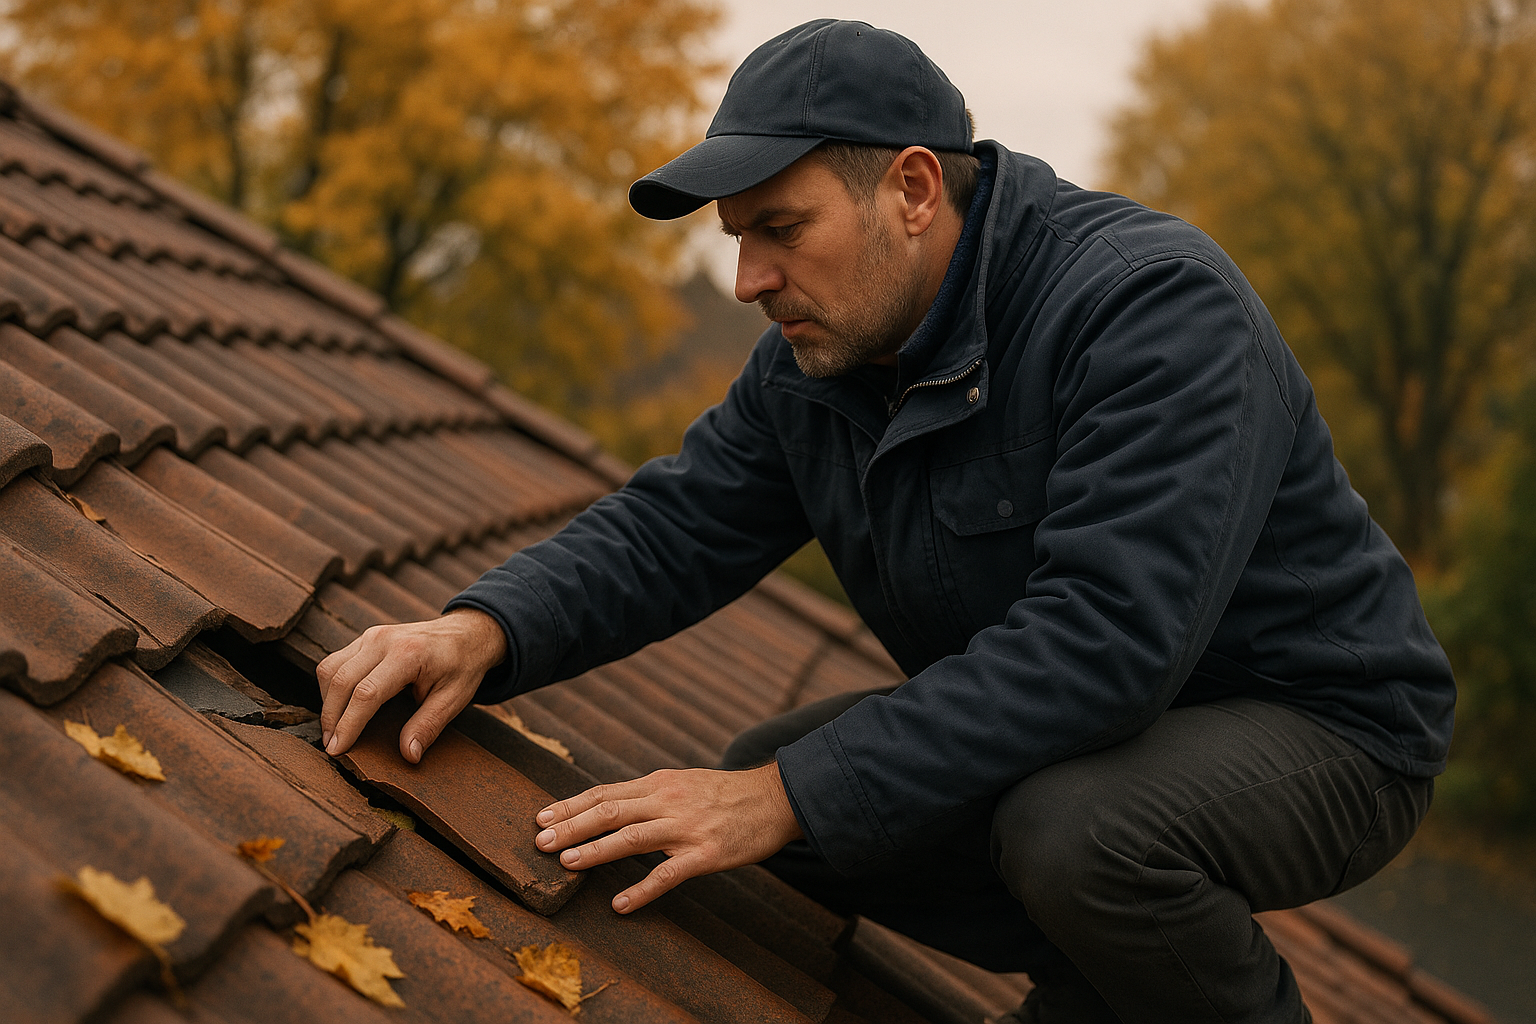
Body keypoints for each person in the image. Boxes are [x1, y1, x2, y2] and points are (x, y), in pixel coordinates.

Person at [316, 19, 1456, 1024]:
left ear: (913, 190)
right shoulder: (825, 357)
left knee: (1066, 830)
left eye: (781, 227)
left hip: (1325, 726)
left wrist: (786, 798)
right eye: (736, 237)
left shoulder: (1150, 308)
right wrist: (483, 629)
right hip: (1107, 727)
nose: (749, 280)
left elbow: (1105, 640)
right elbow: (676, 525)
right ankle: (1102, 987)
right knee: (783, 788)